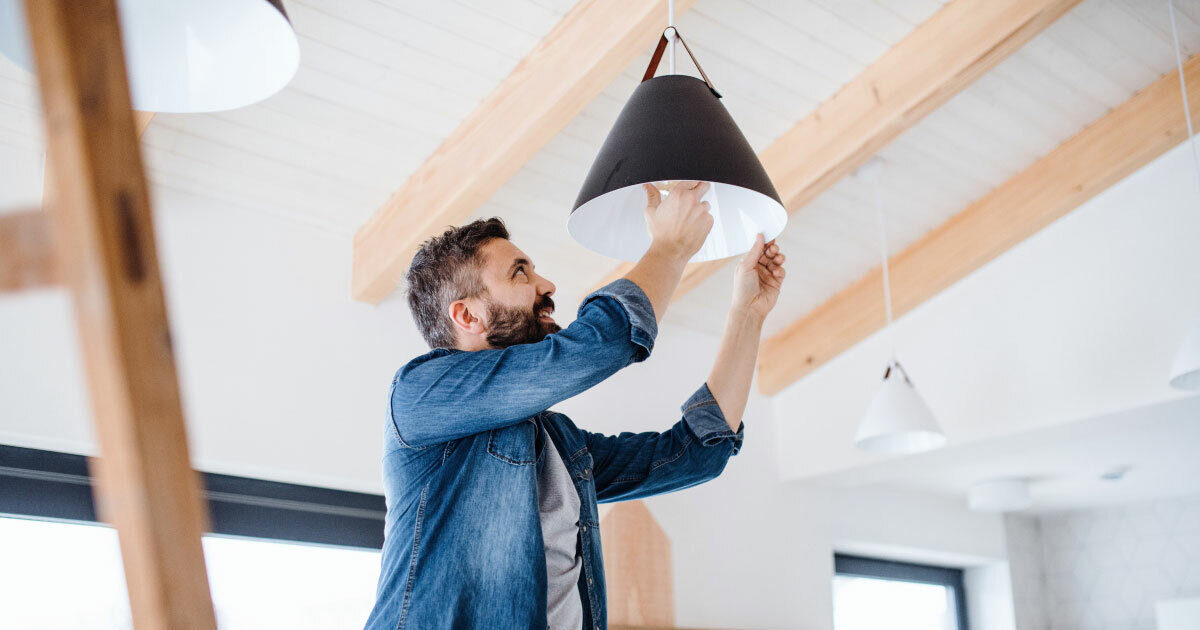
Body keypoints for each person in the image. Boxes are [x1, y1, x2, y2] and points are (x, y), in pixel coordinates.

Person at [364, 180, 787, 629]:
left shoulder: (559, 444)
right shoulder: (420, 393)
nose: (547, 284)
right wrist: (669, 247)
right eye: (520, 273)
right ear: (467, 316)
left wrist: (749, 314)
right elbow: (596, 346)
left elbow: (694, 455)